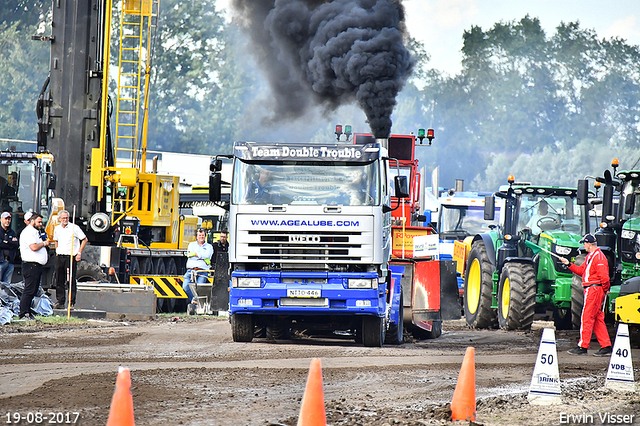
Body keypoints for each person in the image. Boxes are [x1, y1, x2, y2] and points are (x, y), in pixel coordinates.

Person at [560, 234, 612, 356]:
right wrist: (568, 264)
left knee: (587, 317)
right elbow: (581, 271)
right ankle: (606, 346)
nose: (584, 245)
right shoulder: (591, 256)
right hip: (593, 289)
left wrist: (604, 289)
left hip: (594, 289)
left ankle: (583, 346)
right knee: (597, 318)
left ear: (589, 244)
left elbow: (604, 277)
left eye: (584, 243)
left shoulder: (598, 257)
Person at [52, 210, 88, 309]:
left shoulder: (74, 228)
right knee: (59, 279)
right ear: (59, 219)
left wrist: (79, 252)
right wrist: (57, 251)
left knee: (70, 280)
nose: (65, 220)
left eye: (67, 218)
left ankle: (71, 302)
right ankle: (60, 301)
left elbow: (84, 239)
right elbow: (56, 240)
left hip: (70, 256)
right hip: (60, 256)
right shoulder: (57, 228)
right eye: (63, 218)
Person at [18, 213, 50, 319]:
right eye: (39, 222)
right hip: (31, 265)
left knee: (34, 290)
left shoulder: (36, 232)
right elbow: (34, 247)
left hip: (36, 266)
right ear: (32, 221)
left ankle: (28, 310)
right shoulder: (29, 232)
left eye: (41, 222)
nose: (41, 224)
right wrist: (45, 243)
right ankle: (23, 312)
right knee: (29, 289)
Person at [182, 228, 213, 303]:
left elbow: (207, 255)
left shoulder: (209, 246)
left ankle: (198, 305)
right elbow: (189, 255)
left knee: (199, 289)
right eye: (199, 235)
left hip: (203, 271)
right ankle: (195, 300)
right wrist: (202, 257)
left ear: (205, 236)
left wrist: (195, 254)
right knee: (185, 287)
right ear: (196, 236)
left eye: (203, 235)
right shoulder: (191, 245)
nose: (201, 237)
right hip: (190, 270)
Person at [0, 212, 18, 283]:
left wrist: (7, 242)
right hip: (1, 261)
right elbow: (1, 244)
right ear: (1, 219)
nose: (7, 221)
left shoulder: (12, 232)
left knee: (7, 285)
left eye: (9, 219)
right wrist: (10, 243)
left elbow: (16, 244)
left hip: (10, 261)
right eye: (6, 219)